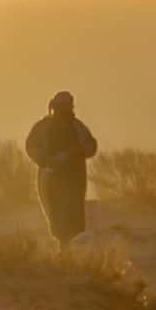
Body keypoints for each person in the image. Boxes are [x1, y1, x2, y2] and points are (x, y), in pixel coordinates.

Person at [24, 91, 98, 250]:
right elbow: (31, 146)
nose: (66, 109)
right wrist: (44, 159)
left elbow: (91, 147)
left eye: (68, 106)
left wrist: (76, 152)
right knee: (55, 214)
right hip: (50, 177)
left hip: (74, 179)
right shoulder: (44, 127)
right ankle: (63, 250)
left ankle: (69, 252)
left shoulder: (77, 127)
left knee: (74, 216)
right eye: (63, 106)